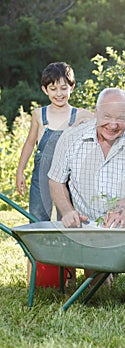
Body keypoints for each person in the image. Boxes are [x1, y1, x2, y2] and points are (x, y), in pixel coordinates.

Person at [48, 87, 125, 305]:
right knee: (98, 290)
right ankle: (103, 272)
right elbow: (56, 180)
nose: (113, 125)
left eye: (120, 118)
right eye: (107, 117)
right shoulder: (72, 138)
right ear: (95, 112)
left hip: (124, 221)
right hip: (88, 227)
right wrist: (67, 211)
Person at [16, 62, 93, 286]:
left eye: (63, 87)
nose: (59, 93)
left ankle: (67, 275)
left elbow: (106, 122)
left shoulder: (81, 115)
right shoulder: (39, 115)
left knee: (67, 222)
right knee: (37, 222)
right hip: (41, 176)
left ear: (72, 87)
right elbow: (30, 143)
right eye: (53, 88)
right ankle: (35, 275)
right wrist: (20, 170)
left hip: (67, 180)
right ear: (45, 90)